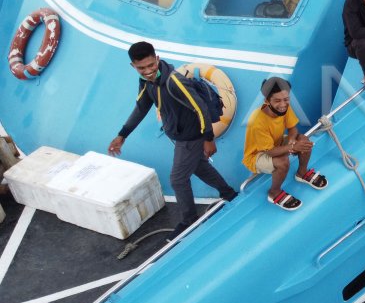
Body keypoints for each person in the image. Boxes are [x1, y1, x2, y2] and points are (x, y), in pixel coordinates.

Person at [108, 42, 238, 234]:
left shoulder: (174, 81)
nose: (148, 71)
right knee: (199, 167)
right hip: (181, 136)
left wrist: (208, 138)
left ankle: (189, 220)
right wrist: (122, 135)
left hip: (191, 137)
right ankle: (228, 193)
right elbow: (142, 108)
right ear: (133, 67)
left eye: (151, 65)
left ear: (157, 59)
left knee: (177, 179)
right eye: (141, 68)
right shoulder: (146, 82)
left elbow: (200, 107)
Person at [242, 77, 326, 211]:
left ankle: (302, 173)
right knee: (282, 162)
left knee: (304, 141)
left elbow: (292, 128)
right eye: (277, 100)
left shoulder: (284, 107)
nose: (283, 104)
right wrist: (292, 147)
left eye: (286, 99)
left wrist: (293, 140)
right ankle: (274, 192)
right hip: (257, 154)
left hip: (277, 142)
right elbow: (269, 152)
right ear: (267, 101)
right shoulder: (257, 121)